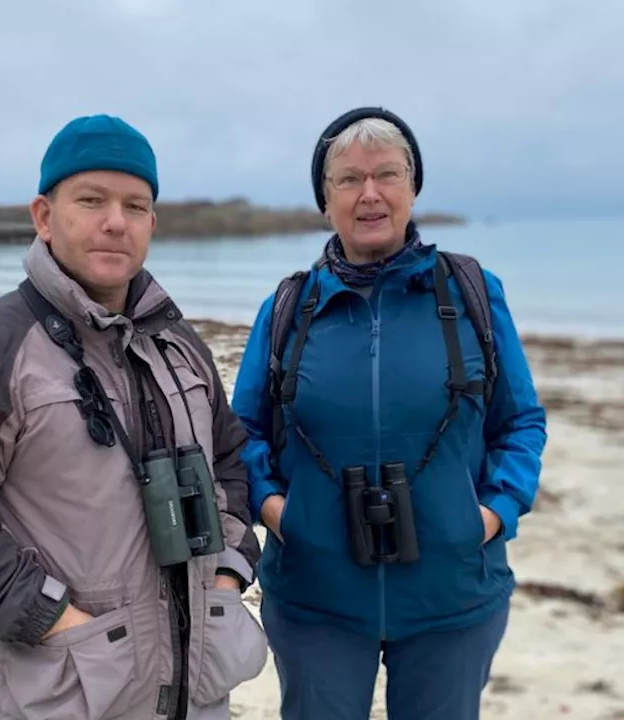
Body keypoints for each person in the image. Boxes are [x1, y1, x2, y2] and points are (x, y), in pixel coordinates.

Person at [0, 114, 268, 720]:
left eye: (135, 206)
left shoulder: (180, 345)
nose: (116, 221)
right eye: (92, 200)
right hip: (67, 693)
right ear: (44, 215)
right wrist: (49, 615)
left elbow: (229, 460)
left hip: (198, 689)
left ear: (151, 224)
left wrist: (227, 571)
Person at [230, 106, 548, 720]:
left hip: (451, 597)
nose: (369, 193)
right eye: (348, 179)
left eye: (387, 174)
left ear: (413, 187)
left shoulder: (472, 293)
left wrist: (491, 513)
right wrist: (280, 510)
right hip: (315, 598)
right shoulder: (288, 308)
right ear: (325, 199)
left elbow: (520, 422)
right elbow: (242, 431)